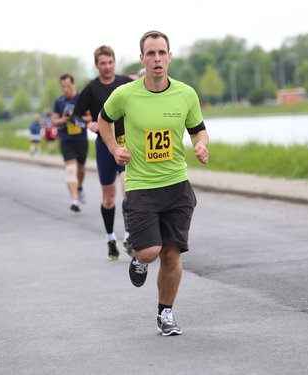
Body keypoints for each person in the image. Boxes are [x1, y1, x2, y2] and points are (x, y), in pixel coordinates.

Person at [98, 31, 209, 336]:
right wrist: (113, 148)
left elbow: (199, 130)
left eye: (162, 53)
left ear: (169, 57)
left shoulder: (186, 94)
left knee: (171, 255)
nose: (157, 59)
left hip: (176, 185)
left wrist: (201, 144)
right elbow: (104, 119)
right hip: (141, 186)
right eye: (151, 53)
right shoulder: (126, 94)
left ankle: (166, 313)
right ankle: (139, 260)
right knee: (149, 252)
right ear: (142, 58)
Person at [73, 45, 133, 260]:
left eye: (110, 63)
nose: (107, 67)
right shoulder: (91, 88)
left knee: (129, 190)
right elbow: (76, 115)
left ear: (114, 63)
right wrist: (88, 123)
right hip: (105, 146)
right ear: (96, 65)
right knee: (109, 197)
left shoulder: (126, 83)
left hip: (126, 144)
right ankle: (110, 238)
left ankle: (128, 236)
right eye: (102, 64)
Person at [52, 74, 91, 213]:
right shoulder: (59, 101)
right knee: (70, 170)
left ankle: (79, 187)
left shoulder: (81, 98)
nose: (66, 89)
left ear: (73, 85)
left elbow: (90, 116)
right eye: (63, 87)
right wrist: (64, 119)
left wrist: (76, 118)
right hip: (66, 139)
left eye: (68, 86)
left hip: (80, 139)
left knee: (80, 170)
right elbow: (54, 121)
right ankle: (74, 200)